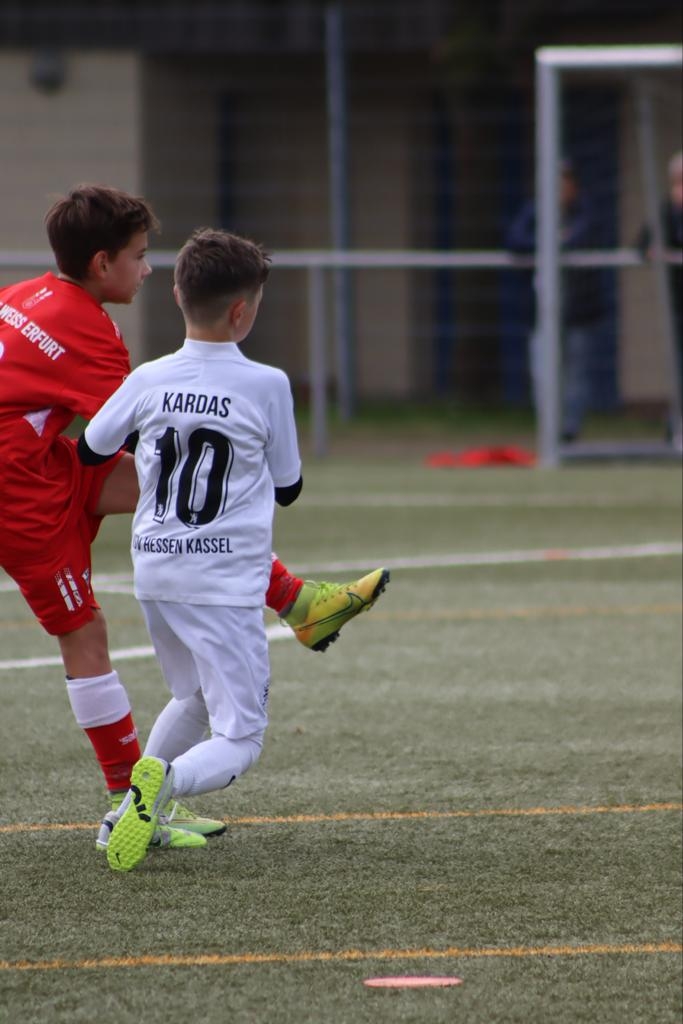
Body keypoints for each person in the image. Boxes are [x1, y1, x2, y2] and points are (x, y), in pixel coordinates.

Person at [0, 185, 389, 850]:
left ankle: (297, 602)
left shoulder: (24, 294)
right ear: (101, 263)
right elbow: (155, 435)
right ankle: (127, 803)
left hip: (37, 456)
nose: (147, 269)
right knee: (85, 630)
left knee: (162, 485)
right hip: (16, 483)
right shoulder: (91, 332)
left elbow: (109, 444)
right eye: (138, 256)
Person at [78, 227, 303, 871]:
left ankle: (126, 817)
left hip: (155, 571)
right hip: (223, 582)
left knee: (194, 698)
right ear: (243, 311)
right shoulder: (267, 384)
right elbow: (288, 487)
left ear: (177, 294)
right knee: (241, 737)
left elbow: (92, 447)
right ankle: (160, 788)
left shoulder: (149, 377)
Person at [506, 159, 609, 442]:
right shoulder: (533, 212)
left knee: (575, 373)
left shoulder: (585, 212)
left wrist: (553, 244)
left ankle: (568, 432)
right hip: (540, 311)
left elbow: (582, 239)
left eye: (565, 182)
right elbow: (515, 240)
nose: (559, 188)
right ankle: (548, 429)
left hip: (578, 310)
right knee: (542, 370)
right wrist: (550, 243)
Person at [636, 150, 683, 438]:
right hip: (676, 303)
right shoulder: (665, 212)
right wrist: (652, 250)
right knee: (677, 366)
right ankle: (675, 426)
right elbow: (641, 245)